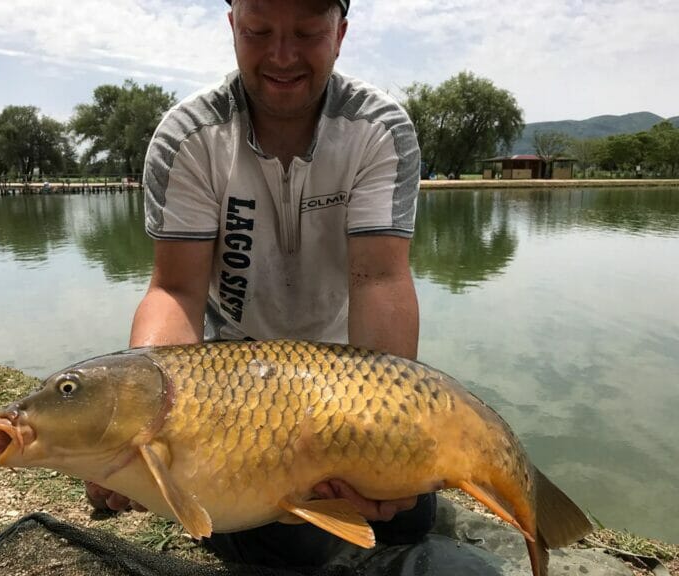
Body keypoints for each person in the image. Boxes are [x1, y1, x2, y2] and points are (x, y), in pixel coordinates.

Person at [86, 0, 437, 568]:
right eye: (257, 31)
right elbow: (176, 291)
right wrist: (139, 420)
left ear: (340, 33)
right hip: (233, 380)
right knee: (282, 541)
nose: (281, 55)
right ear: (232, 26)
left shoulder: (378, 129)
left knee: (407, 514)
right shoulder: (189, 137)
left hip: (345, 374)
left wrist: (382, 426)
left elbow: (380, 278)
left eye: (306, 32)